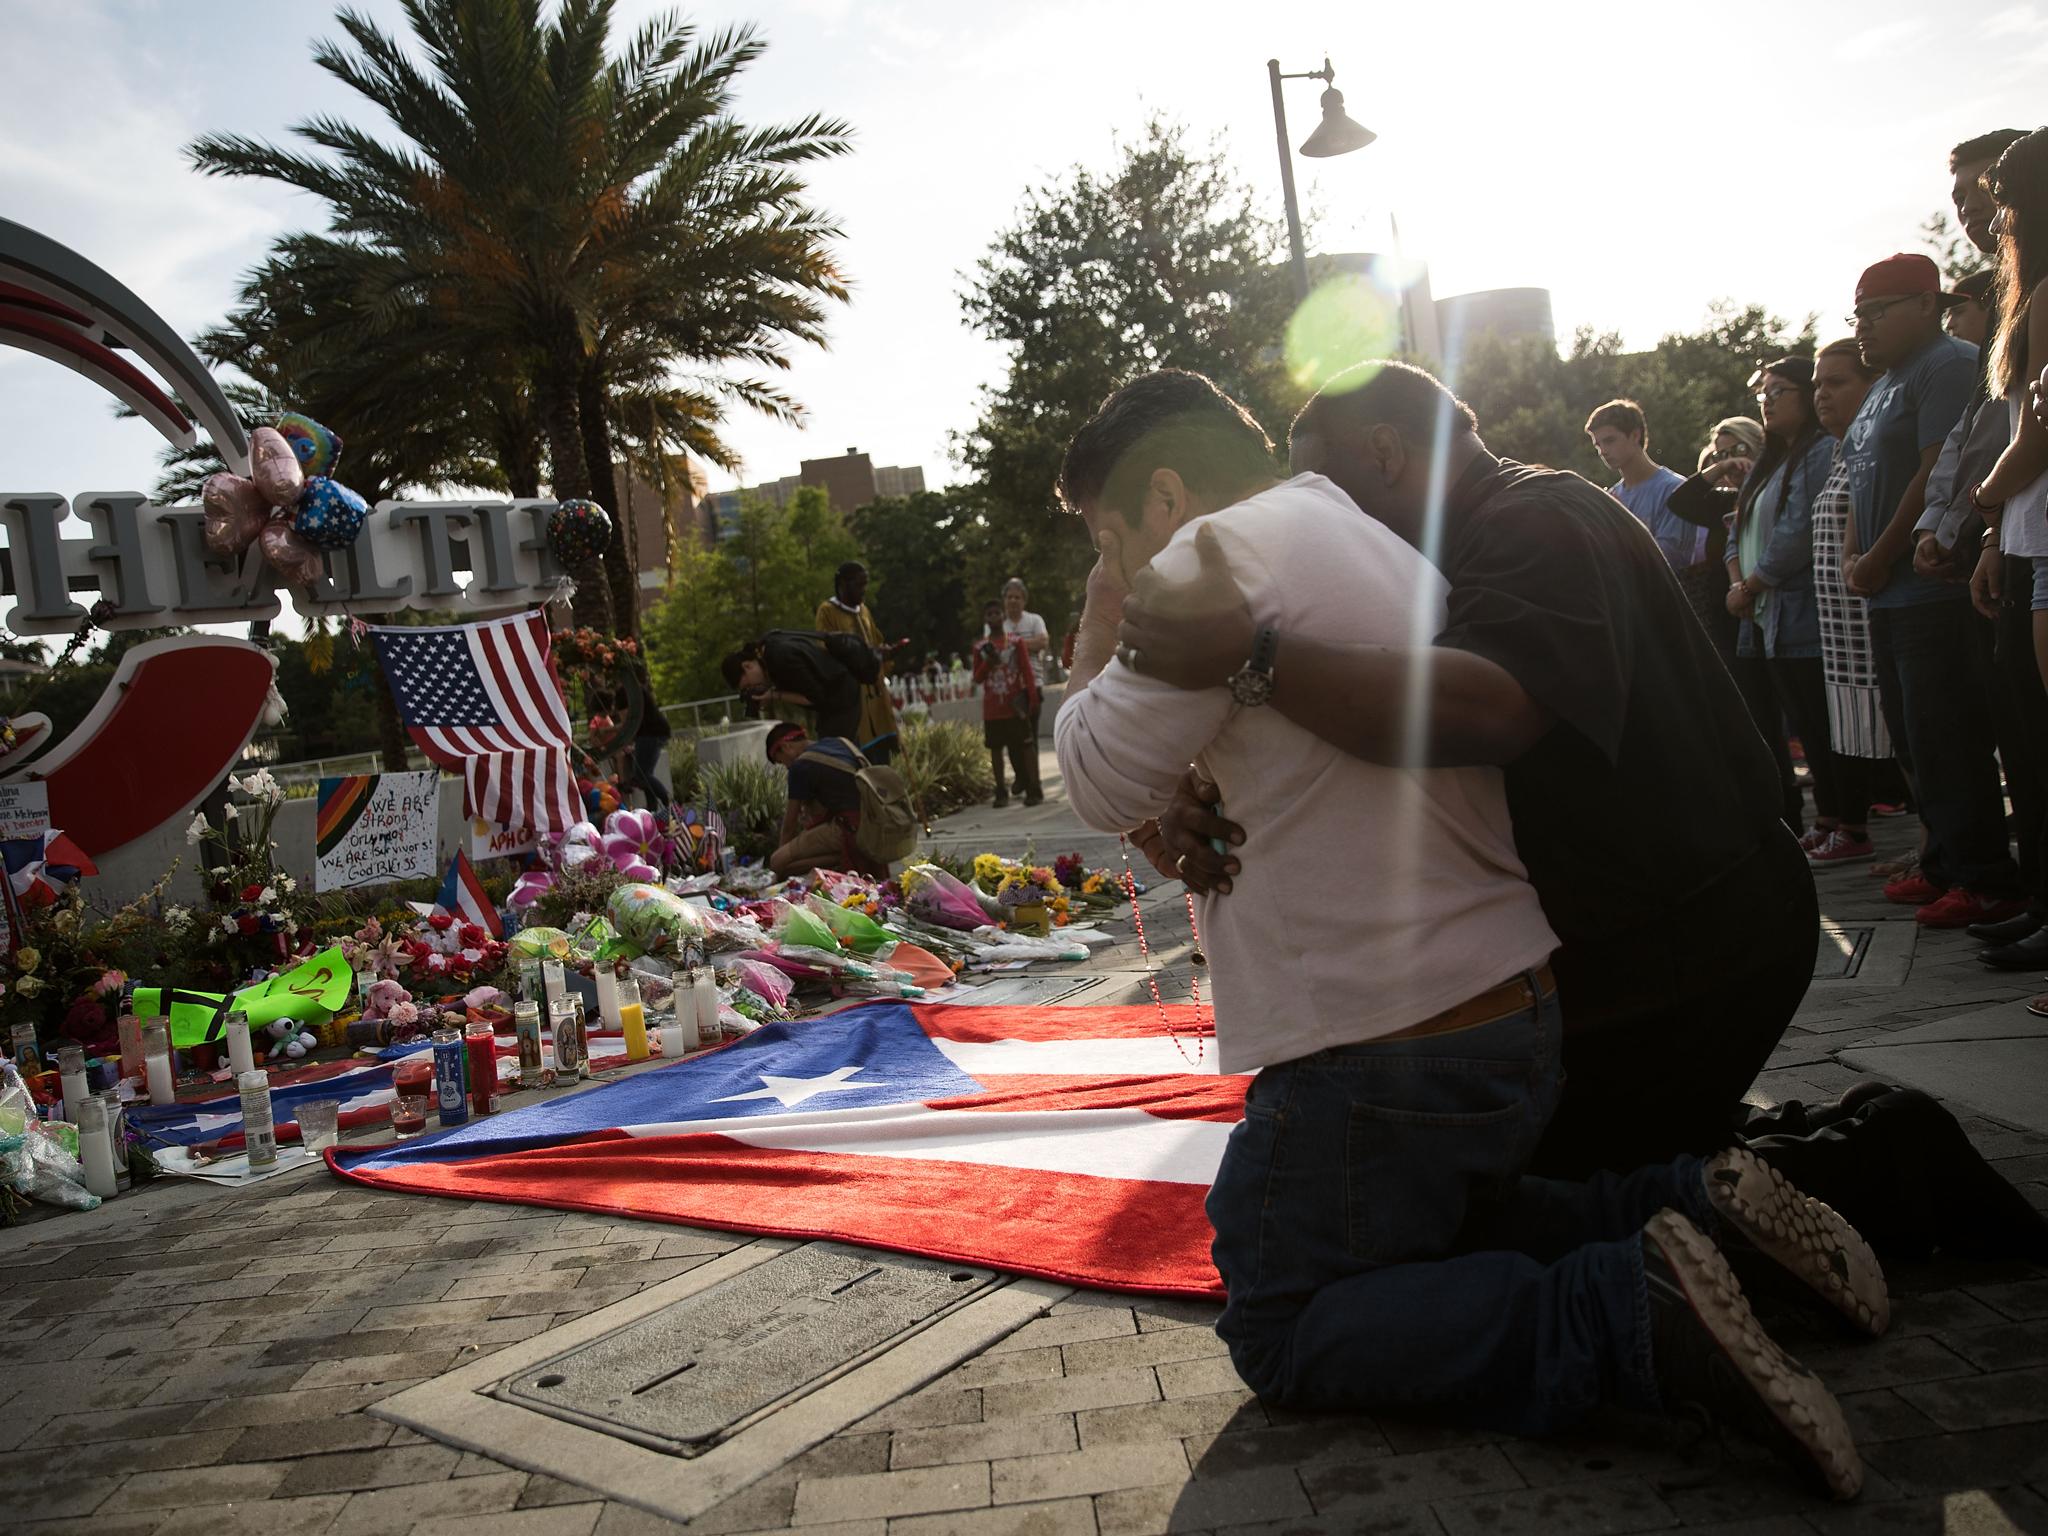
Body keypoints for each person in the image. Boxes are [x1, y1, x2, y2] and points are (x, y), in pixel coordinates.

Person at [1055, 368, 1878, 1499]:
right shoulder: (1373, 540)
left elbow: (1096, 776)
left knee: (1284, 1316)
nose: (1114, 567)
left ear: (1160, 494)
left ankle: (1615, 1316)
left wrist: (1102, 624)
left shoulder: (1212, 561)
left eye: (1108, 536)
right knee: (1452, 1222)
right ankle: (1677, 1211)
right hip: (1509, 1005)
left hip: (1375, 1036)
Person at [1121, 361, 1811, 1182]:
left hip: (1694, 940)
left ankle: (1814, 1177)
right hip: (1643, 933)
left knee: (1540, 1210)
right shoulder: (1478, 530)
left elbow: (1487, 710)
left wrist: (1251, 654)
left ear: (1385, 451)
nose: (1317, 517)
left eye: (1322, 488)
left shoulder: (1534, 520)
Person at [1843, 251, 2024, 928]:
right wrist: (1860, 555)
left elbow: (1933, 472)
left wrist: (1882, 553)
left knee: (1948, 738)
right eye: (1857, 314)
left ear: (1927, 303)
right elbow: (1862, 478)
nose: (1865, 327)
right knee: (1916, 742)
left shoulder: (1946, 366)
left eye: (1877, 311)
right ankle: (1947, 862)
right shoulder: (1886, 381)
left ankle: (1987, 878)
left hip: (1928, 591)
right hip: (1887, 593)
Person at [1958, 129, 2048, 985]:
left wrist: (1983, 500)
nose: (1996, 221)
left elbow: (2039, 433)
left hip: (2039, 531)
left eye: (2004, 202)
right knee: (2025, 734)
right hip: (2022, 537)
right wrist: (1994, 533)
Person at [1730, 361, 1866, 859]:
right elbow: (1736, 529)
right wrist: (1738, 583)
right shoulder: (1771, 462)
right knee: (1806, 726)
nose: (1766, 401)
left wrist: (1752, 584)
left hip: (1803, 609)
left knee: (1824, 722)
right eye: (1762, 393)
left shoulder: (1818, 452)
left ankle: (1851, 824)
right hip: (1767, 616)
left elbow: (1797, 533)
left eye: (1778, 391)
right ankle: (1827, 819)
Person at [1811, 340, 1894, 844]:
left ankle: (1946, 857)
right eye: (1818, 384)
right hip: (1840, 633)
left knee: (1906, 742)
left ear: (1871, 386)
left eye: (1836, 383)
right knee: (1864, 738)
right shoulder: (1844, 448)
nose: (1822, 394)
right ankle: (1931, 852)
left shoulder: (1876, 445)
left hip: (1873, 619)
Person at [1668, 417, 1765, 662]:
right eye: (1722, 454)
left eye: (1739, 450)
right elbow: (1679, 501)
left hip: (1767, 609)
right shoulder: (1724, 502)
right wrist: (1722, 466)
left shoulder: (1777, 493)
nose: (1732, 460)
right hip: (1726, 616)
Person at [1586, 399, 1700, 576]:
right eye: (1598, 444)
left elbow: (1669, 561)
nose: (1603, 451)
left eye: (1609, 440)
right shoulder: (1611, 496)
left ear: (1635, 435)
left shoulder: (1674, 490)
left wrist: (1621, 524)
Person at [764, 721, 881, 877]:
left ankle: (844, 859)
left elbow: (789, 827)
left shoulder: (800, 766)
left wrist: (780, 861)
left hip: (849, 828)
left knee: (777, 862)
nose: (785, 766)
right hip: (874, 822)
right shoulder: (839, 743)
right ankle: (845, 858)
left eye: (781, 761)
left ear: (786, 747)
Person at [813, 561, 901, 765]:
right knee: (863, 764)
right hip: (852, 700)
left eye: (865, 585)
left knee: (883, 764)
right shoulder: (827, 611)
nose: (863, 591)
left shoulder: (864, 610)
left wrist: (885, 654)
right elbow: (826, 651)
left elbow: (875, 642)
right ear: (843, 584)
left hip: (877, 697)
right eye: (858, 585)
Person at [721, 634, 863, 744]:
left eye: (748, 686)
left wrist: (774, 695)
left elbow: (814, 697)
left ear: (747, 666)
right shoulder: (769, 650)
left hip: (842, 696)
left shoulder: (780, 658)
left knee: (837, 754)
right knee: (832, 748)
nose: (753, 689)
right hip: (834, 699)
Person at [972, 598, 1040, 807]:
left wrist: (1032, 698)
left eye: (996, 613)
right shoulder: (980, 647)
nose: (993, 617)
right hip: (993, 708)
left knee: (1026, 746)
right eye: (989, 614)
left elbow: (1026, 670)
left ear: (1003, 616)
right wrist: (987, 663)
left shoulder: (1015, 642)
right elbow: (977, 678)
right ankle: (1000, 791)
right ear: (985, 619)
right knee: (995, 750)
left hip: (1015, 705)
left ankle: (1034, 789)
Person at [1000, 578, 1049, 803]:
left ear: (1024, 600)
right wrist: (1026, 642)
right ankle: (1021, 776)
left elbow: (1042, 642)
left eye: (1017, 597)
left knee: (1029, 739)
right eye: (1009, 597)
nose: (1013, 601)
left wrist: (1017, 643)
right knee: (1012, 740)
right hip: (1007, 689)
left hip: (1032, 686)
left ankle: (1034, 788)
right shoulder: (999, 625)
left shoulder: (1035, 619)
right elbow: (996, 648)